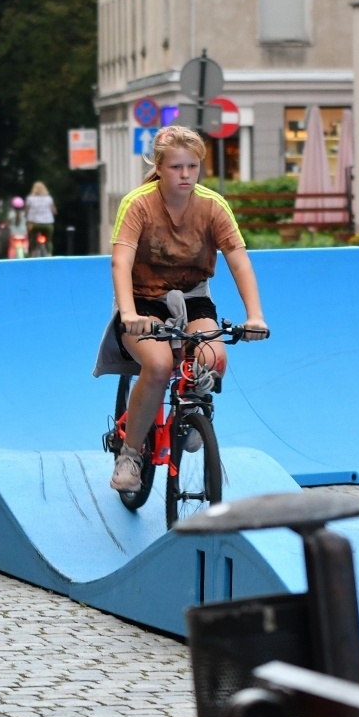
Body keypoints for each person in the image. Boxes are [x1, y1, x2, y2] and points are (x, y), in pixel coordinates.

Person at [109, 126, 269, 492]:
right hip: (143, 297)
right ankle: (131, 454)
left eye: (193, 167)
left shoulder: (212, 206)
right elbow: (120, 262)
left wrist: (254, 315)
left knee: (214, 357)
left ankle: (193, 410)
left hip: (193, 295)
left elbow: (239, 261)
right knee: (161, 364)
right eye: (177, 167)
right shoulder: (137, 204)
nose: (185, 175)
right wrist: (129, 315)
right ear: (160, 167)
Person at [25, 181, 56, 257]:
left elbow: (26, 211)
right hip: (48, 224)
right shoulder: (49, 198)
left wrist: (26, 216)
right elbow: (54, 210)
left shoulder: (30, 199)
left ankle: (33, 254)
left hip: (34, 224)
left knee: (32, 239)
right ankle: (49, 254)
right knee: (49, 241)